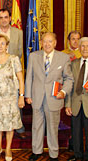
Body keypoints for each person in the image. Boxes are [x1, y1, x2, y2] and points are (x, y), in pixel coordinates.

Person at [25, 32, 74, 161]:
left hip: (54, 99)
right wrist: (28, 94)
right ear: (41, 42)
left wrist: (63, 92)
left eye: (50, 41)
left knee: (53, 128)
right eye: (44, 41)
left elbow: (69, 79)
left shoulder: (63, 58)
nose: (47, 44)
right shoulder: (34, 56)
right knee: (36, 126)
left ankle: (53, 154)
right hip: (37, 97)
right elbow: (29, 76)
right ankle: (36, 151)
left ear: (55, 43)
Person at [0, 8, 26, 139]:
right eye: (1, 17)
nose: (4, 20)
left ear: (10, 18)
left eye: (6, 17)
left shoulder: (18, 32)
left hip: (12, 71)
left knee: (14, 104)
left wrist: (9, 64)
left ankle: (18, 127)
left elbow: (19, 52)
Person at [0, 34, 25, 161]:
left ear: (7, 45)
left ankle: (8, 149)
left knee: (9, 125)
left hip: (10, 98)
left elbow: (21, 79)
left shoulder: (14, 59)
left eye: (3, 43)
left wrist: (21, 96)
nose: (0, 46)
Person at [65, 37, 88, 161]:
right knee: (76, 131)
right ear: (79, 48)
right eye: (82, 46)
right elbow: (70, 85)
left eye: (87, 46)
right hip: (75, 103)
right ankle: (77, 154)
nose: (85, 49)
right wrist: (67, 104)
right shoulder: (73, 63)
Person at [62, 31, 81, 152]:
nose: (75, 41)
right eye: (73, 39)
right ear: (69, 40)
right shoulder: (63, 54)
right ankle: (72, 142)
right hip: (67, 89)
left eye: (77, 39)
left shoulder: (84, 52)